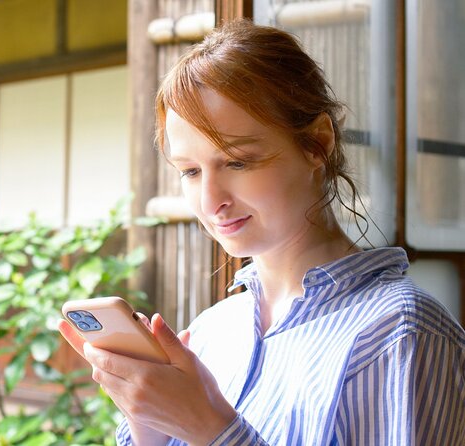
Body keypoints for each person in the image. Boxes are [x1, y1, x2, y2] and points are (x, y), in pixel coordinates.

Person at [58, 19, 465, 445]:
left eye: (237, 162)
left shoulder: (401, 331)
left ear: (317, 144)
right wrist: (150, 423)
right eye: (190, 171)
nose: (211, 200)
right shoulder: (214, 331)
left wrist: (210, 429)